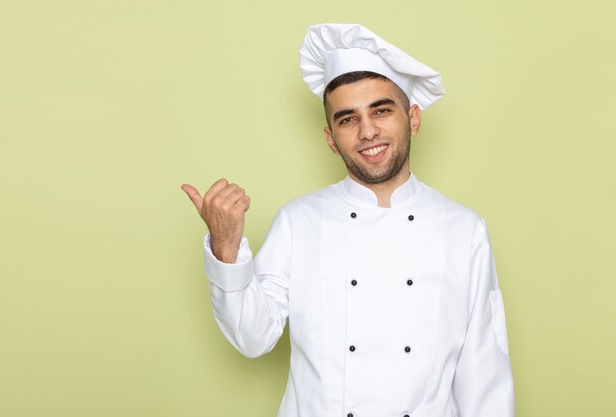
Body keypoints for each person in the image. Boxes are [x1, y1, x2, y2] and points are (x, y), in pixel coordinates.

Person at [182, 23, 514, 417]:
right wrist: (226, 246)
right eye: (347, 119)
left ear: (413, 119)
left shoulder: (464, 230)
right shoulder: (298, 221)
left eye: (382, 110)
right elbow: (252, 338)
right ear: (330, 138)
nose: (367, 131)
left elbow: (484, 374)